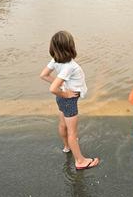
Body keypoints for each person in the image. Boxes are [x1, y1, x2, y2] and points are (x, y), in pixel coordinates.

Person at [39, 30, 100, 170]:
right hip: (68, 101)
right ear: (71, 46)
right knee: (73, 132)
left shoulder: (55, 60)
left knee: (62, 124)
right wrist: (65, 94)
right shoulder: (70, 66)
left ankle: (67, 147)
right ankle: (80, 161)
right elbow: (53, 88)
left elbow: (43, 75)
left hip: (61, 99)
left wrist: (61, 88)